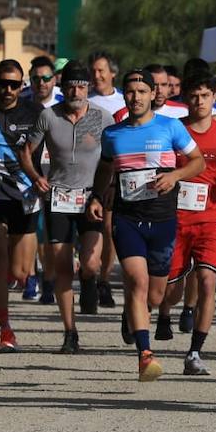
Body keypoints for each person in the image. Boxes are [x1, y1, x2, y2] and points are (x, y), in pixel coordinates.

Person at [88, 69, 204, 382]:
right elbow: (106, 167)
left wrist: (175, 176)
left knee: (154, 297)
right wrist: (98, 196)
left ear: (153, 94)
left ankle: (132, 314)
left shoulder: (171, 127)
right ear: (124, 95)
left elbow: (199, 161)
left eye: (142, 91)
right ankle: (145, 355)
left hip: (163, 220)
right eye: (130, 91)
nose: (136, 97)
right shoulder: (113, 134)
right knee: (137, 283)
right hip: (127, 219)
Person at [19, 63, 113, 354]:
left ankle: (89, 279)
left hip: (90, 197)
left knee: (91, 262)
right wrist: (36, 178)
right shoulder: (50, 116)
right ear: (63, 87)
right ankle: (70, 331)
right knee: (60, 266)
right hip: (58, 197)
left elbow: (111, 160)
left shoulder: (102, 118)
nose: (76, 92)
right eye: (71, 86)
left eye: (81, 86)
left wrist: (102, 193)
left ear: (88, 88)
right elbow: (25, 152)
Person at [163, 74, 216, 374]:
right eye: (194, 96)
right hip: (177, 217)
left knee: (208, 281)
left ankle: (195, 352)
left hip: (213, 216)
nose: (200, 102)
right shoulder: (175, 131)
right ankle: (163, 312)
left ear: (214, 98)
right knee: (170, 289)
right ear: (186, 98)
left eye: (205, 96)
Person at [0, 59, 44, 352]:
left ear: (22, 86)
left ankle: (15, 281)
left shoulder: (36, 113)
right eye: (2, 83)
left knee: (21, 271)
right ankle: (5, 329)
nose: (7, 89)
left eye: (14, 84)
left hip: (26, 197)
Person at [86, 52, 125, 309]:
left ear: (113, 73)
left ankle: (103, 279)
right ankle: (88, 276)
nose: (97, 75)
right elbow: (87, 139)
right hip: (87, 172)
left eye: (102, 71)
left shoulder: (124, 101)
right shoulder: (86, 102)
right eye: (94, 71)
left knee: (109, 229)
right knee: (88, 230)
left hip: (114, 175)